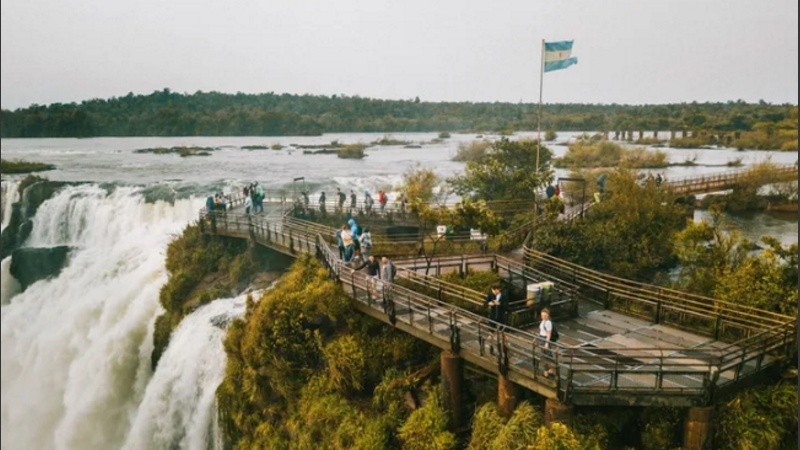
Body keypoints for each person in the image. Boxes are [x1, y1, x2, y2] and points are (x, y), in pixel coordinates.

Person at [539, 307, 556, 378]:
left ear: (548, 315)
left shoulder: (548, 323)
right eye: (542, 315)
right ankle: (550, 370)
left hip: (544, 339)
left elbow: (549, 334)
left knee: (546, 356)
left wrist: (546, 343)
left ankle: (547, 371)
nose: (543, 317)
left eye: (545, 315)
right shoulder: (543, 321)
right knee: (546, 355)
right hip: (541, 338)